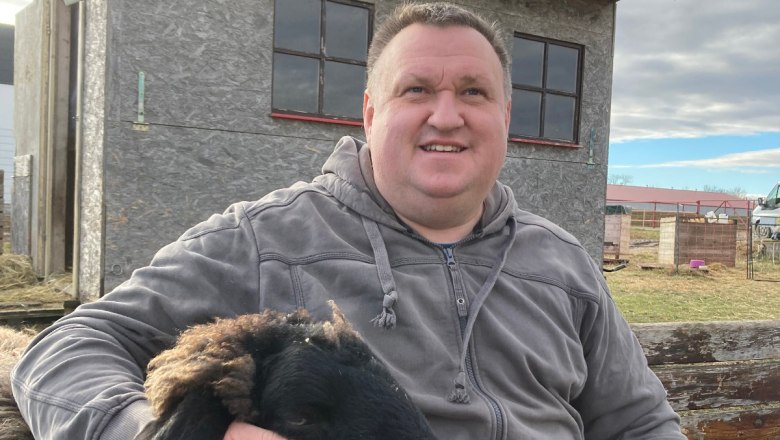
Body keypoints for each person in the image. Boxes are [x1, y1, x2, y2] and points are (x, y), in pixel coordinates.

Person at [12, 2, 685, 439]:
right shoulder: (265, 238)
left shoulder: (563, 264)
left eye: (473, 92)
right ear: (369, 112)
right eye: (416, 90)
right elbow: (66, 348)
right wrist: (150, 430)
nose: (446, 116)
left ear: (504, 117)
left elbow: (641, 423)